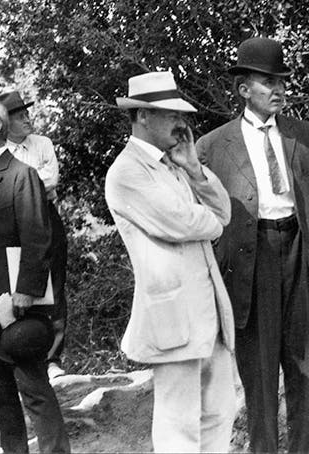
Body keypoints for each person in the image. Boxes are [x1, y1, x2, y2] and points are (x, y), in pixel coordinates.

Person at [196, 37, 309, 453]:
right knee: (258, 374)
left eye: (282, 81)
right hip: (250, 259)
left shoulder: (304, 135)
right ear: (244, 89)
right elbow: (205, 211)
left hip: (301, 253)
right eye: (267, 81)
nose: (279, 89)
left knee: (305, 368)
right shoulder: (212, 146)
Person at [104, 71, 237, 453]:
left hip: (207, 313)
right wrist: (212, 226)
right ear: (142, 116)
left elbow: (223, 209)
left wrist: (194, 167)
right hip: (173, 318)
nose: (181, 123)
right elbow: (180, 222)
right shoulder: (125, 171)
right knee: (178, 428)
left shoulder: (177, 164)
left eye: (181, 115)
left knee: (218, 414)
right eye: (170, 114)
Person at [0, 99, 70, 453]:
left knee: (33, 389)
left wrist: (26, 292)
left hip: (12, 305)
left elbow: (37, 236)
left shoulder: (21, 173)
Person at [0, 90, 69, 380]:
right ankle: (25, 357)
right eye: (20, 115)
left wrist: (22, 185)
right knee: (20, 284)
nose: (28, 119)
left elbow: (52, 179)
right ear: (5, 122)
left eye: (27, 113)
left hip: (47, 217)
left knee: (56, 284)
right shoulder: (1, 151)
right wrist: (30, 182)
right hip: (13, 225)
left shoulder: (42, 143)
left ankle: (53, 358)